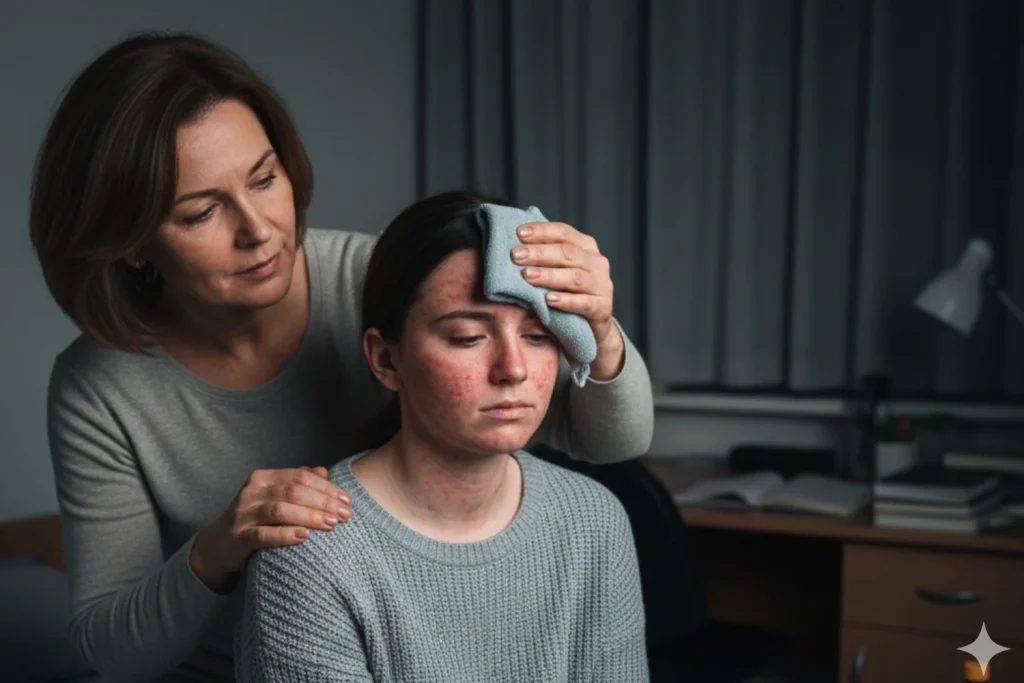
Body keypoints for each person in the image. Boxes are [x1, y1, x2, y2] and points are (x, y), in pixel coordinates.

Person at [30, 32, 654, 683]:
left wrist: (600, 329)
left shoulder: (381, 280)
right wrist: (220, 545)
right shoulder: (98, 388)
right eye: (201, 212)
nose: (258, 229)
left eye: (264, 178)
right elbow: (112, 651)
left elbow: (611, 438)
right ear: (132, 244)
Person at [235, 190, 649, 682]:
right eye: (467, 337)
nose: (513, 368)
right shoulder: (306, 555)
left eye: (538, 336)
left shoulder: (595, 522)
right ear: (385, 360)